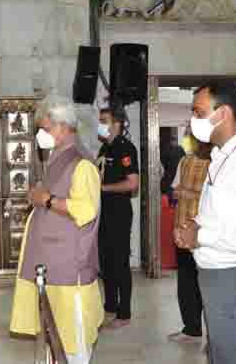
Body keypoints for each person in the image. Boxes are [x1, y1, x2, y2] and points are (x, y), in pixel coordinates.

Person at [174, 82, 236, 364]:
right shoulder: (220, 156)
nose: (194, 121)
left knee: (235, 356)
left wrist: (202, 236)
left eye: (199, 112)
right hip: (214, 277)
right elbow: (219, 214)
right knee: (221, 355)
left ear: (224, 113)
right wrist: (192, 228)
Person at [10, 95, 103, 364]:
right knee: (55, 338)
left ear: (63, 127)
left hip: (68, 271)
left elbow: (85, 211)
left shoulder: (82, 164)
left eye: (46, 128)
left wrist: (47, 200)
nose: (41, 134)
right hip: (53, 267)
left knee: (72, 346)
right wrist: (40, 197)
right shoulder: (58, 159)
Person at [167, 126, 212, 344]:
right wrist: (179, 191)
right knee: (185, 283)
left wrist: (187, 192)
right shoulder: (184, 161)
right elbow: (174, 188)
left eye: (191, 136)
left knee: (208, 286)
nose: (190, 139)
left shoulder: (217, 162)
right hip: (181, 230)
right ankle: (191, 329)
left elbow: (215, 196)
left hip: (205, 235)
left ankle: (215, 336)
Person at [95, 105, 139, 329]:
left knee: (120, 263)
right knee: (105, 262)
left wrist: (103, 189)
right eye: (100, 120)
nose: (100, 125)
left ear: (117, 124)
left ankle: (124, 313)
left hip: (119, 214)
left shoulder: (126, 149)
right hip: (103, 214)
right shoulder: (104, 149)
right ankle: (110, 307)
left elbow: (133, 184)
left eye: (104, 120)